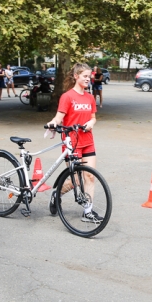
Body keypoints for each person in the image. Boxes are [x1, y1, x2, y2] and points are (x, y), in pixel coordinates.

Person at [46, 63, 101, 222]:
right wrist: (53, 123)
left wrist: (91, 123)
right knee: (76, 180)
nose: (88, 79)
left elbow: (93, 117)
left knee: (90, 176)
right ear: (76, 76)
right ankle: (57, 193)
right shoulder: (67, 96)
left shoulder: (90, 97)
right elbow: (58, 117)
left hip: (88, 141)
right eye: (85, 76)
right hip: (72, 142)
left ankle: (88, 212)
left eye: (89, 76)